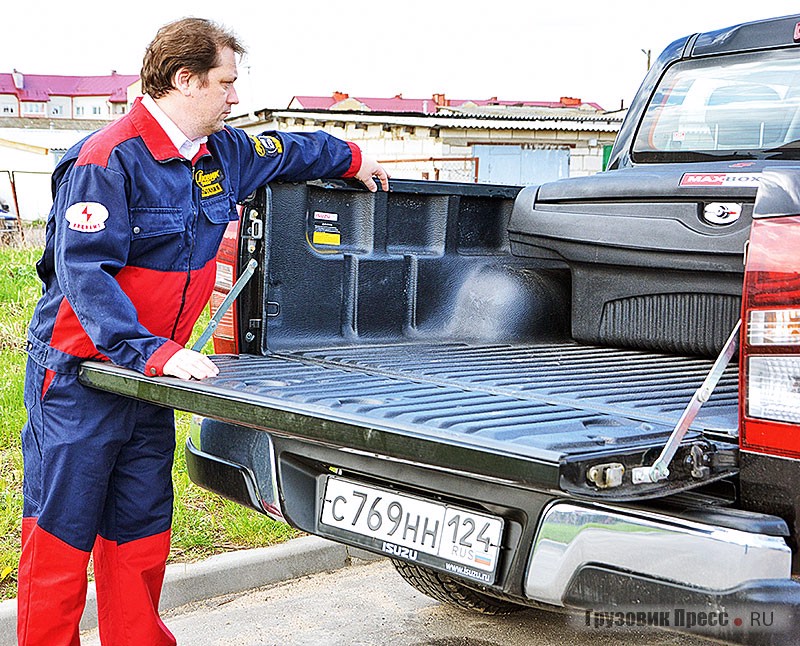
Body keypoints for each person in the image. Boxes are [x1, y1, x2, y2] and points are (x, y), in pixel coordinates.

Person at [18, 17, 388, 646]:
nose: (235, 97)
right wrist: (150, 353)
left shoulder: (223, 154)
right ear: (183, 80)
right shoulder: (106, 160)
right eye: (226, 83)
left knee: (139, 526)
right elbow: (85, 277)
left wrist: (355, 156)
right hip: (83, 377)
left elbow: (288, 149)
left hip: (155, 382)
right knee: (62, 532)